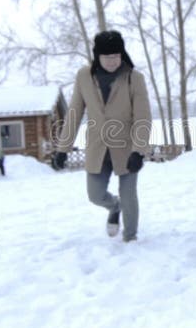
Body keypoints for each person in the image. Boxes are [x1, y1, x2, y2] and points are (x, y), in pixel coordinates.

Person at [54, 30, 152, 243]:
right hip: (97, 147)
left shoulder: (134, 78)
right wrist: (63, 148)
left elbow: (143, 117)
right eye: (107, 57)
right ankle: (113, 206)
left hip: (127, 148)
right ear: (98, 56)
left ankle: (130, 237)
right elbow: (74, 112)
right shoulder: (84, 76)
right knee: (95, 195)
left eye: (116, 56)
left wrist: (139, 150)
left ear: (122, 55)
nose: (112, 61)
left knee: (129, 196)